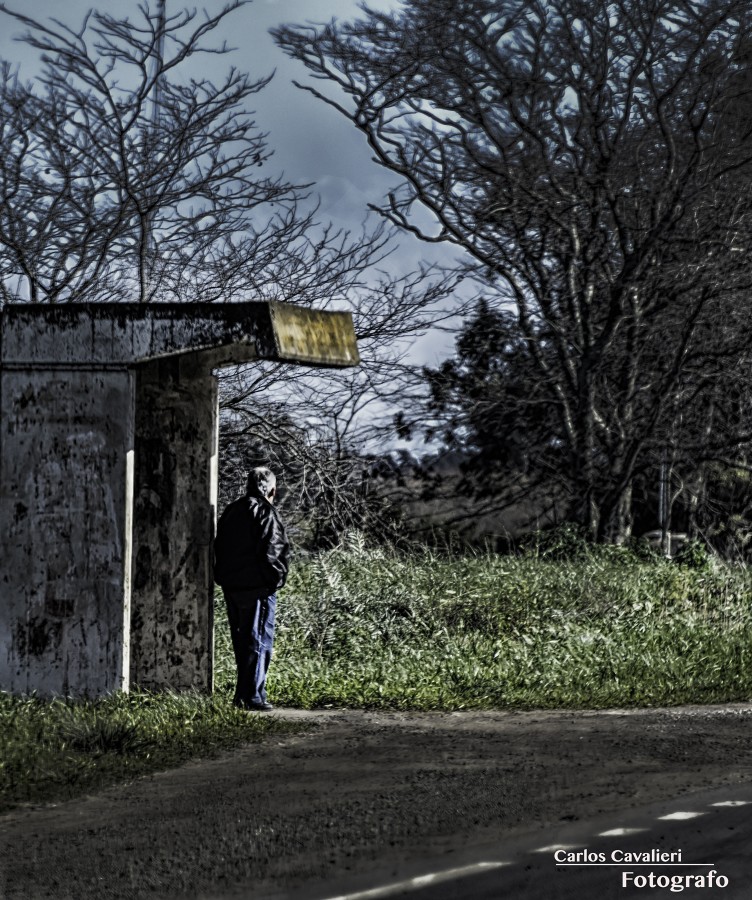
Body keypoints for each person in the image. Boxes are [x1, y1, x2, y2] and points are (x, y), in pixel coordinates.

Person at [214, 467, 291, 711]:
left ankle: (242, 695)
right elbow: (273, 551)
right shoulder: (266, 512)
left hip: (232, 587)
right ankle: (253, 697)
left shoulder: (232, 510)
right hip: (257, 588)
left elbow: (219, 546)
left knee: (242, 643)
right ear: (272, 490)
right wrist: (274, 581)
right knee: (258, 643)